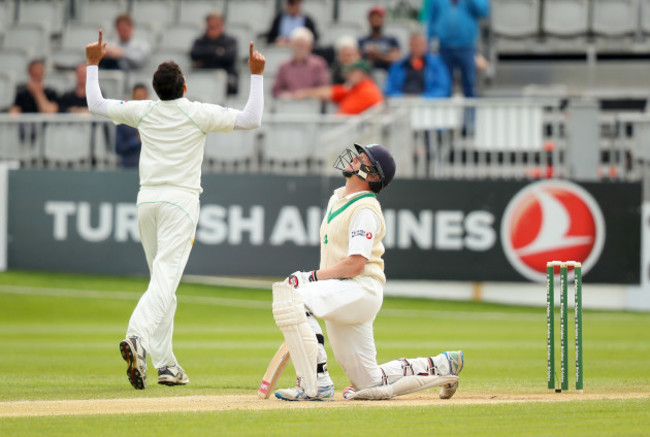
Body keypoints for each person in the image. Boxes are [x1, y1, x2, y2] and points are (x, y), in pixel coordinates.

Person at [85, 30, 265, 389]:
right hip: (180, 203)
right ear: (183, 88)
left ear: (157, 90)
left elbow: (97, 104)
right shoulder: (197, 112)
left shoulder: (143, 111)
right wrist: (257, 73)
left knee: (163, 284)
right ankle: (137, 337)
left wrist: (92, 65)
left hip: (146, 202)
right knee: (165, 279)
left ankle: (167, 365)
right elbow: (251, 118)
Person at [272, 143, 463, 401]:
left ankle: (315, 384)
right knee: (369, 382)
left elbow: (355, 265)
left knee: (294, 298)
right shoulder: (337, 198)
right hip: (343, 292)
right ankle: (442, 365)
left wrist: (310, 277)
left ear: (373, 176)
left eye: (363, 159)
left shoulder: (365, 209)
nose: (354, 159)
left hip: (359, 288)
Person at [427, 0, 489, 97]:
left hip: (467, 47)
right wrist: (428, 44)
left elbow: (483, 11)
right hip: (444, 47)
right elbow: (431, 19)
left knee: (470, 84)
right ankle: (445, 111)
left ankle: (470, 112)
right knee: (443, 84)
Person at [292, 59, 382, 115]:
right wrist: (305, 93)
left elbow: (344, 116)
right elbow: (329, 92)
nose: (348, 76)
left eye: (351, 72)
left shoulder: (367, 91)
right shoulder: (354, 88)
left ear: (361, 73)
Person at [384, 32, 451, 98]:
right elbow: (389, 90)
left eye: (420, 44)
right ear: (409, 45)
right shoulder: (398, 66)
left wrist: (422, 98)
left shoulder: (436, 65)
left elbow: (444, 90)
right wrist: (403, 97)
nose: (417, 48)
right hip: (403, 103)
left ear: (426, 46)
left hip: (427, 103)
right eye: (415, 44)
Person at [272, 27, 329, 99]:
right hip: (288, 106)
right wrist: (287, 95)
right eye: (297, 45)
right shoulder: (284, 66)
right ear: (292, 45)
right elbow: (276, 90)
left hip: (312, 106)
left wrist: (305, 94)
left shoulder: (319, 65)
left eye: (302, 45)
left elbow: (324, 90)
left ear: (309, 47)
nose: (299, 48)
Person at [190, 12, 239, 96]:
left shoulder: (230, 41)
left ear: (222, 25)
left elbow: (229, 58)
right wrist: (217, 51)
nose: (213, 29)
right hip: (203, 76)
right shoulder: (200, 41)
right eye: (211, 26)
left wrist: (205, 57)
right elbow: (194, 54)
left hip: (226, 78)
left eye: (216, 26)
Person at [115, 84, 148, 168]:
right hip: (129, 166)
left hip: (149, 167)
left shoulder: (153, 120)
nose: (140, 101)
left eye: (142, 97)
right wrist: (136, 140)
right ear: (132, 97)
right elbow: (118, 148)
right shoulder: (123, 121)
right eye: (138, 97)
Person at [358, 6, 401, 71]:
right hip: (366, 75)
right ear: (369, 20)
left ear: (383, 20)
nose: (375, 20)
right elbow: (356, 60)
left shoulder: (391, 40)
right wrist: (368, 58)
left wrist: (378, 55)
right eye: (373, 17)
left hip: (387, 74)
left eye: (378, 17)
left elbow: (396, 59)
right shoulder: (361, 41)